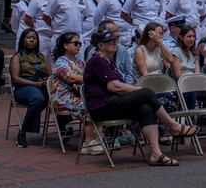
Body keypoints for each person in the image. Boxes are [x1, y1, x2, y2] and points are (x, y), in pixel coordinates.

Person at [83, 29, 199, 166]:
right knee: (147, 93)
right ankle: (173, 126)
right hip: (101, 106)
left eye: (115, 40)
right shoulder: (97, 60)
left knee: (145, 108)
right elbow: (114, 87)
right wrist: (140, 90)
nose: (114, 43)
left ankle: (156, 154)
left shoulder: (107, 60)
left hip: (113, 102)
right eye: (109, 41)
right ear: (100, 46)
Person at [50, 31, 92, 151]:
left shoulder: (80, 62)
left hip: (78, 95)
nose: (78, 46)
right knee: (89, 107)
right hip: (64, 97)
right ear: (65, 45)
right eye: (75, 43)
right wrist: (92, 79)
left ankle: (98, 137)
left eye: (79, 43)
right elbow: (71, 78)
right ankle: (89, 143)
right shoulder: (60, 62)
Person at [9, 28, 49, 148]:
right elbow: (15, 79)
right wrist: (34, 84)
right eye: (28, 38)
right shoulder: (17, 57)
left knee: (57, 97)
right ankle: (23, 132)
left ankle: (62, 126)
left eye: (34, 38)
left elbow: (50, 74)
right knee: (38, 98)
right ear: (22, 40)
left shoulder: (42, 57)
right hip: (23, 86)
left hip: (41, 85)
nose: (32, 40)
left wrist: (46, 80)